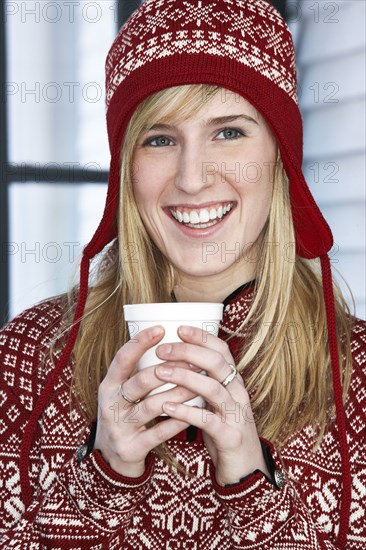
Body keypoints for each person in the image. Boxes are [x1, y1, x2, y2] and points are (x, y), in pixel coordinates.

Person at [0, 0, 365, 547]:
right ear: (126, 165)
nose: (192, 179)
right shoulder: (27, 358)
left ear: (280, 157)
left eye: (229, 132)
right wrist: (101, 481)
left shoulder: (356, 376)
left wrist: (251, 485)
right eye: (160, 139)